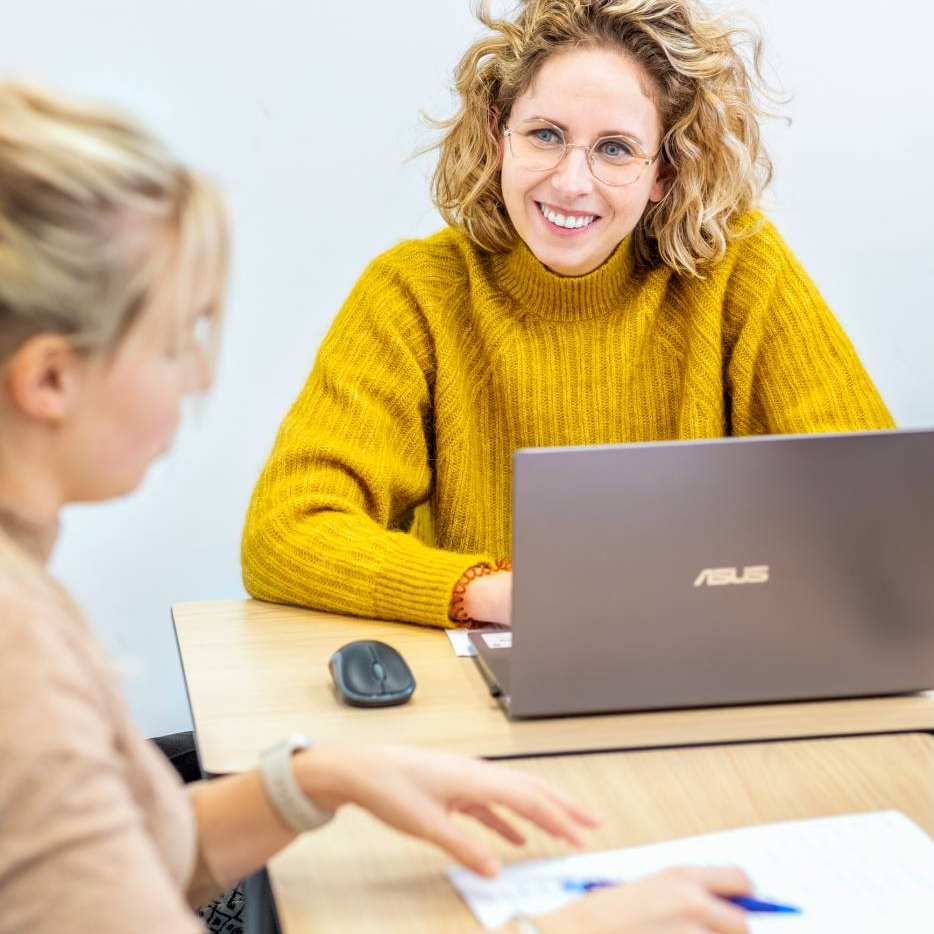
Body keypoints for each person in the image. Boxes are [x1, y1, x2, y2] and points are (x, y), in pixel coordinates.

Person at [0, 82, 754, 934]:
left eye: (615, 149)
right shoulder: (19, 660)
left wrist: (321, 778)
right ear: (51, 379)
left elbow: (130, 861)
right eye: (178, 342)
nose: (201, 378)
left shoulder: (26, 597)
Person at [241, 0, 894, 631]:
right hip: (487, 686)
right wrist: (502, 596)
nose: (571, 182)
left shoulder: (739, 270)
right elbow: (285, 530)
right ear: (500, 135)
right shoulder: (415, 293)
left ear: (663, 169)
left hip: (702, 665)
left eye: (614, 149)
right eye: (546, 135)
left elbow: (877, 519)